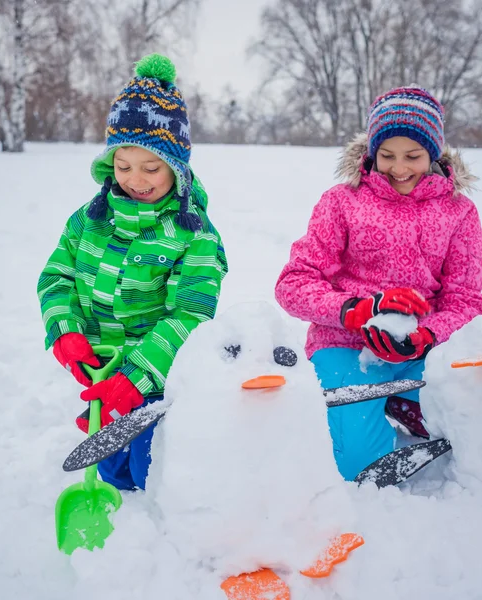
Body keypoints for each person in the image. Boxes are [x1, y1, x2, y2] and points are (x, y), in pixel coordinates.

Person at [37, 54, 228, 491]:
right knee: (114, 474)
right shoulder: (89, 219)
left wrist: (138, 377)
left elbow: (191, 316)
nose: (136, 180)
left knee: (149, 475)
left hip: (157, 375)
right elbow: (56, 277)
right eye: (123, 166)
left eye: (151, 168)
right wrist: (64, 331)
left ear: (176, 166)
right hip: (103, 369)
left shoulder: (193, 235)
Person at [275, 86, 482, 481]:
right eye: (387, 155)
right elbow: (293, 283)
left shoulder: (459, 211)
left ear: (434, 154)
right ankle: (379, 405)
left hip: (425, 350)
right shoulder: (341, 201)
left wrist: (426, 335)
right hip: (345, 345)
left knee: (467, 420)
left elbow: (467, 300)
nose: (399, 168)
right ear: (371, 152)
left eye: (413, 156)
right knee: (361, 468)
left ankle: (404, 401)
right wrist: (355, 312)